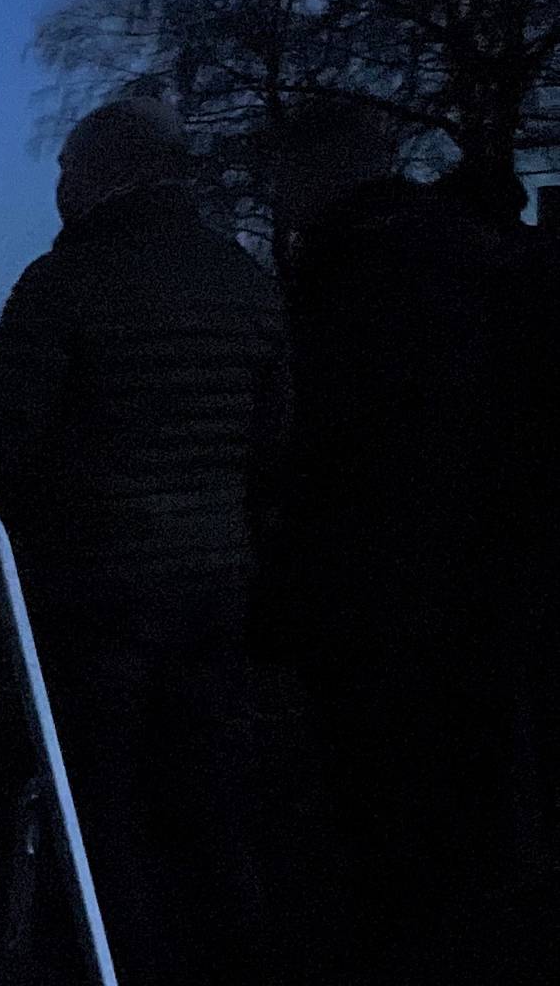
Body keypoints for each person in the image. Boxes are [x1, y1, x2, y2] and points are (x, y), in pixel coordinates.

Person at [0, 95, 285, 985]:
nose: (58, 189)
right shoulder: (244, 279)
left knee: (102, 800)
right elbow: (276, 440)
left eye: (65, 171)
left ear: (101, 173)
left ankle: (120, 961)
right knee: (211, 798)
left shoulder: (66, 284)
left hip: (96, 582)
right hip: (215, 579)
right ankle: (241, 955)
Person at [260, 150, 551, 979]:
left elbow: (319, 427)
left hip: (378, 554)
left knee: (386, 764)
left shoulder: (355, 269)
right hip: (485, 547)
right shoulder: (486, 262)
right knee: (480, 741)